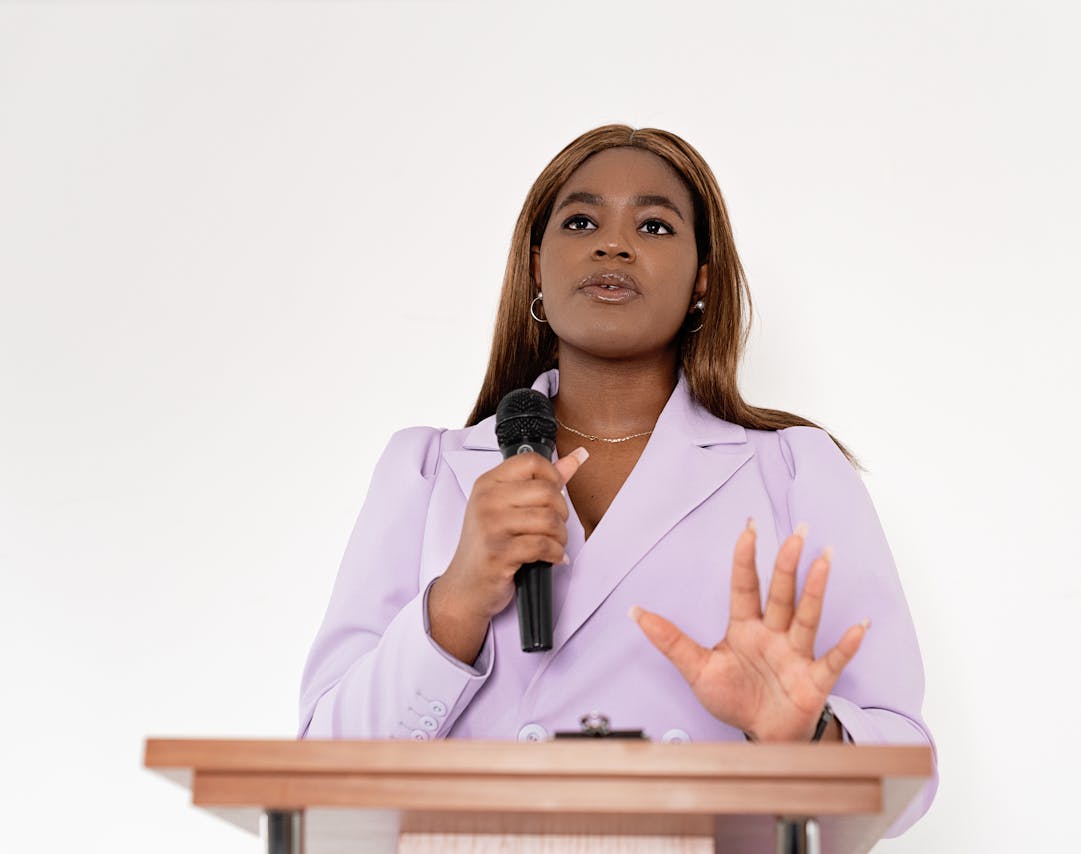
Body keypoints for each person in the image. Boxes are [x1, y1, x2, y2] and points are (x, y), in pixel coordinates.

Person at [298, 125, 938, 835]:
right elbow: (321, 776)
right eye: (581, 221)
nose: (613, 245)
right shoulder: (425, 471)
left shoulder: (793, 471)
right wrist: (455, 604)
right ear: (536, 266)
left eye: (654, 225)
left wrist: (804, 735)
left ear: (702, 279)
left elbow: (905, 775)